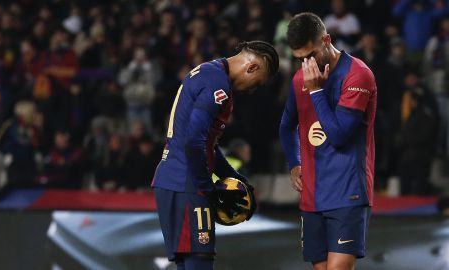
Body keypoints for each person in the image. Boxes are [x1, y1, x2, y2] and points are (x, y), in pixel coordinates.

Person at [152, 40, 279, 270]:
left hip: (173, 179)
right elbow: (194, 142)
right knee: (199, 262)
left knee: (189, 264)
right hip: (187, 183)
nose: (253, 90)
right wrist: (206, 189)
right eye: (257, 83)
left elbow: (205, 142)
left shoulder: (209, 72)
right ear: (251, 67)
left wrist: (235, 177)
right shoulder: (217, 83)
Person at [280, 13, 377, 270]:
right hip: (312, 194)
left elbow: (339, 136)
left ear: (326, 39)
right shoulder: (300, 78)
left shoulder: (358, 75)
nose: (306, 63)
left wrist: (316, 91)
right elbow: (286, 126)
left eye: (310, 55)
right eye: (299, 59)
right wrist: (294, 163)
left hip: (348, 191)